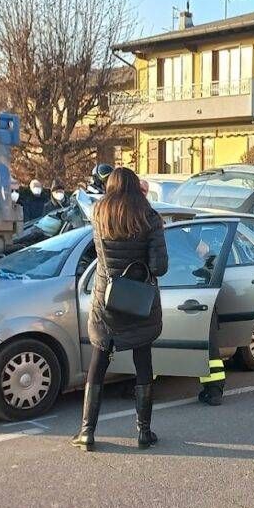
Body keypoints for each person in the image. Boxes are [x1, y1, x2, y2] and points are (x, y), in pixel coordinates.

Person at [72, 167, 169, 452]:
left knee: (98, 362)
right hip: (139, 301)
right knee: (143, 362)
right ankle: (144, 433)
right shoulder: (149, 217)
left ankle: (87, 432)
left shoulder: (99, 215)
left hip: (107, 300)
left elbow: (102, 261)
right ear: (136, 188)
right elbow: (159, 267)